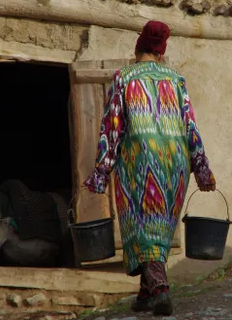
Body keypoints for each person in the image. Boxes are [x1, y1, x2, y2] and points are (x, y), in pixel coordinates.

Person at [84, 20, 216, 316]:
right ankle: (146, 294)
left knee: (140, 225)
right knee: (158, 225)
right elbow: (190, 127)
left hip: (139, 159)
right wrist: (202, 170)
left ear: (138, 47)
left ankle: (160, 289)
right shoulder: (176, 80)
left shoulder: (124, 77)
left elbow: (112, 127)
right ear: (160, 54)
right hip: (174, 162)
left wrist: (101, 173)